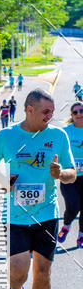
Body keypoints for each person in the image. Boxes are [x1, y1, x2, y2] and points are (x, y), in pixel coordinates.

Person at [0, 88, 76, 289]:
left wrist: (60, 174)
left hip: (47, 214)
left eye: (52, 111)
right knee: (18, 270)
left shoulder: (58, 136)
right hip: (16, 216)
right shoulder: (6, 136)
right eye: (46, 111)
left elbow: (71, 173)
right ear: (30, 109)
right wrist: (4, 181)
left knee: (43, 272)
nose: (50, 116)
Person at [57, 101, 83, 247]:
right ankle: (66, 225)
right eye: (75, 112)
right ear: (72, 116)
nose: (79, 114)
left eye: (81, 111)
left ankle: (81, 236)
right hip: (70, 176)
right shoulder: (65, 132)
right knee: (73, 206)